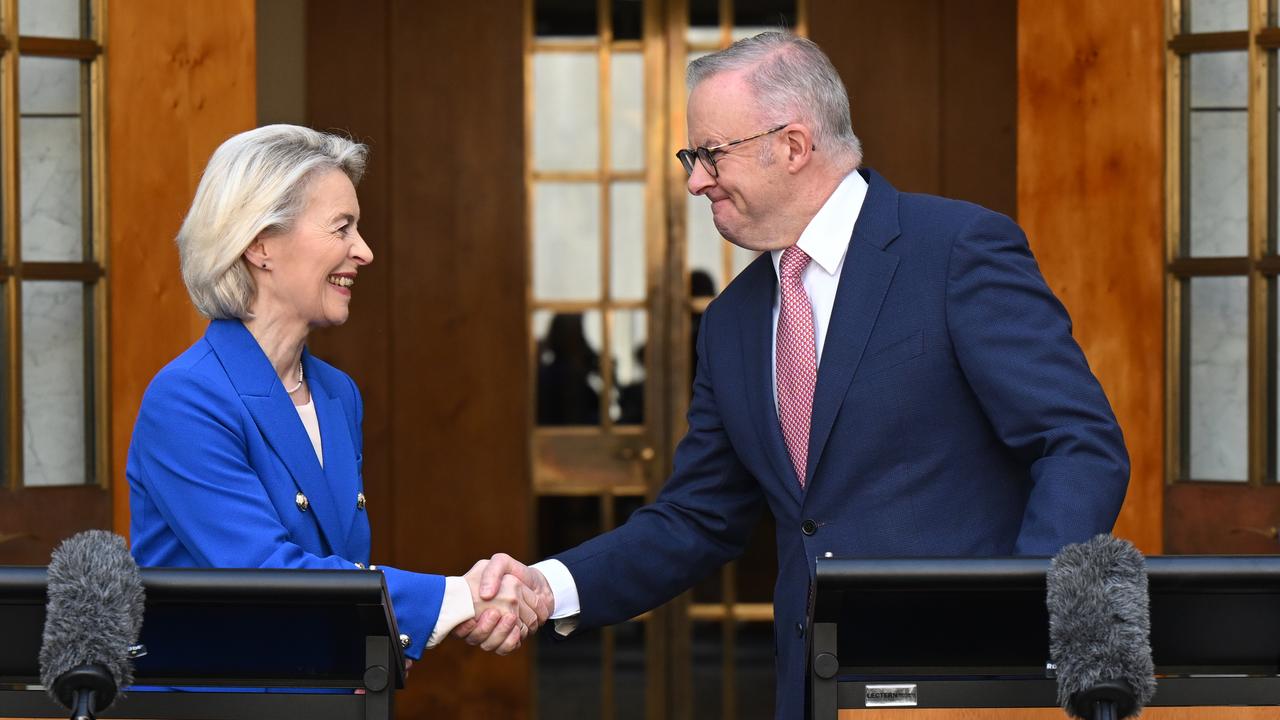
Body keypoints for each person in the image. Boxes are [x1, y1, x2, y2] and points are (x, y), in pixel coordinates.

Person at [463, 32, 1130, 719]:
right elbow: (698, 517)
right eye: (691, 158)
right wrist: (549, 587)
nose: (695, 180)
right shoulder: (731, 321)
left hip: (965, 689)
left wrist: (1015, 615)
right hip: (812, 691)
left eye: (710, 154)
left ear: (793, 145)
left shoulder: (957, 251)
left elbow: (1079, 445)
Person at [126, 125, 537, 670]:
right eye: (342, 227)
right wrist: (458, 598)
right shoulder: (186, 400)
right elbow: (264, 574)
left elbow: (338, 565)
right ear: (260, 244)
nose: (363, 252)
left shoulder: (337, 394)